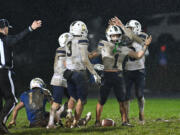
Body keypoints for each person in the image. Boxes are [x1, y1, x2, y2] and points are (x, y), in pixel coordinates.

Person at [89, 23, 152, 126]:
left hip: (118, 76)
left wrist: (146, 46)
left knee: (122, 100)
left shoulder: (123, 48)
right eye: (113, 35)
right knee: (101, 100)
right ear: (109, 35)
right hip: (106, 75)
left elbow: (138, 55)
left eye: (117, 35)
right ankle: (97, 121)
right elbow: (91, 55)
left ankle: (124, 121)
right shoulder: (104, 44)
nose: (115, 37)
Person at [0, 19, 42, 134]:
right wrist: (30, 28)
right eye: (7, 28)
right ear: (4, 28)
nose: (8, 30)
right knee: (12, 100)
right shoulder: (4, 39)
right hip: (3, 72)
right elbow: (17, 38)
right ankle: (0, 123)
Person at [63, 21, 101, 128]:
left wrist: (96, 52)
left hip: (68, 72)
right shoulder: (83, 39)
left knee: (72, 96)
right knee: (81, 99)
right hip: (79, 73)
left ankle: (69, 111)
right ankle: (75, 122)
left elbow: (83, 55)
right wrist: (94, 73)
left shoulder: (68, 40)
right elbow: (84, 59)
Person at [46, 32, 72, 129]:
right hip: (59, 79)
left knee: (73, 98)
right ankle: (50, 123)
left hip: (64, 79)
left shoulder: (65, 50)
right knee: (56, 103)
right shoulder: (61, 50)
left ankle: (59, 113)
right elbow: (64, 64)